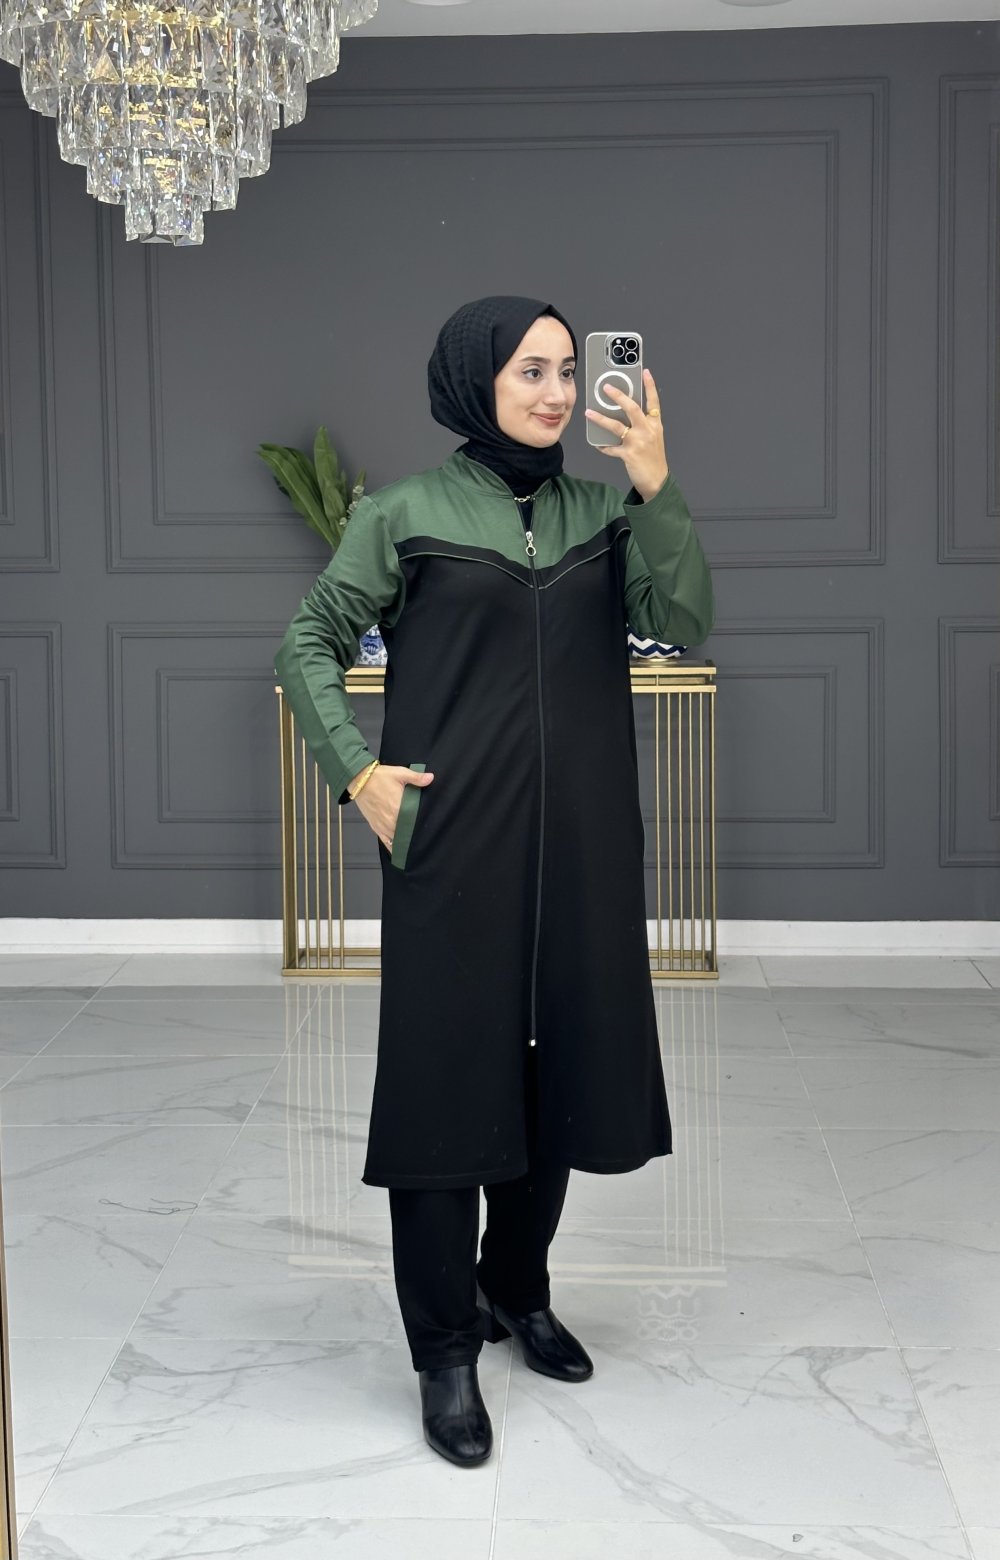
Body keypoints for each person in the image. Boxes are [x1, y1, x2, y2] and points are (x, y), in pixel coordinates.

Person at [275, 295, 714, 1467]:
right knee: (443, 1086)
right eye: (531, 371)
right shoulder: (405, 513)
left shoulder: (600, 514)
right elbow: (307, 640)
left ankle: (516, 1286)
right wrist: (358, 773)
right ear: (476, 381)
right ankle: (444, 1349)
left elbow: (680, 618)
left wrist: (655, 485)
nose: (557, 393)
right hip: (453, 844)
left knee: (557, 1067)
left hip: (582, 848)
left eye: (568, 370)